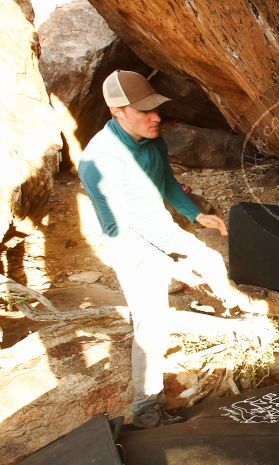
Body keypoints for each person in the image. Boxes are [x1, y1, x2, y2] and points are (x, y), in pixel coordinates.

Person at [78, 70, 260, 428]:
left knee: (209, 259)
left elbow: (167, 183)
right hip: (129, 245)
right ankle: (147, 408)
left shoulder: (152, 138)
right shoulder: (98, 161)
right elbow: (117, 229)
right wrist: (166, 264)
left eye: (155, 108)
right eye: (144, 111)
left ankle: (237, 313)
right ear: (117, 111)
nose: (156, 117)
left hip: (159, 227)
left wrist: (195, 214)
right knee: (152, 325)